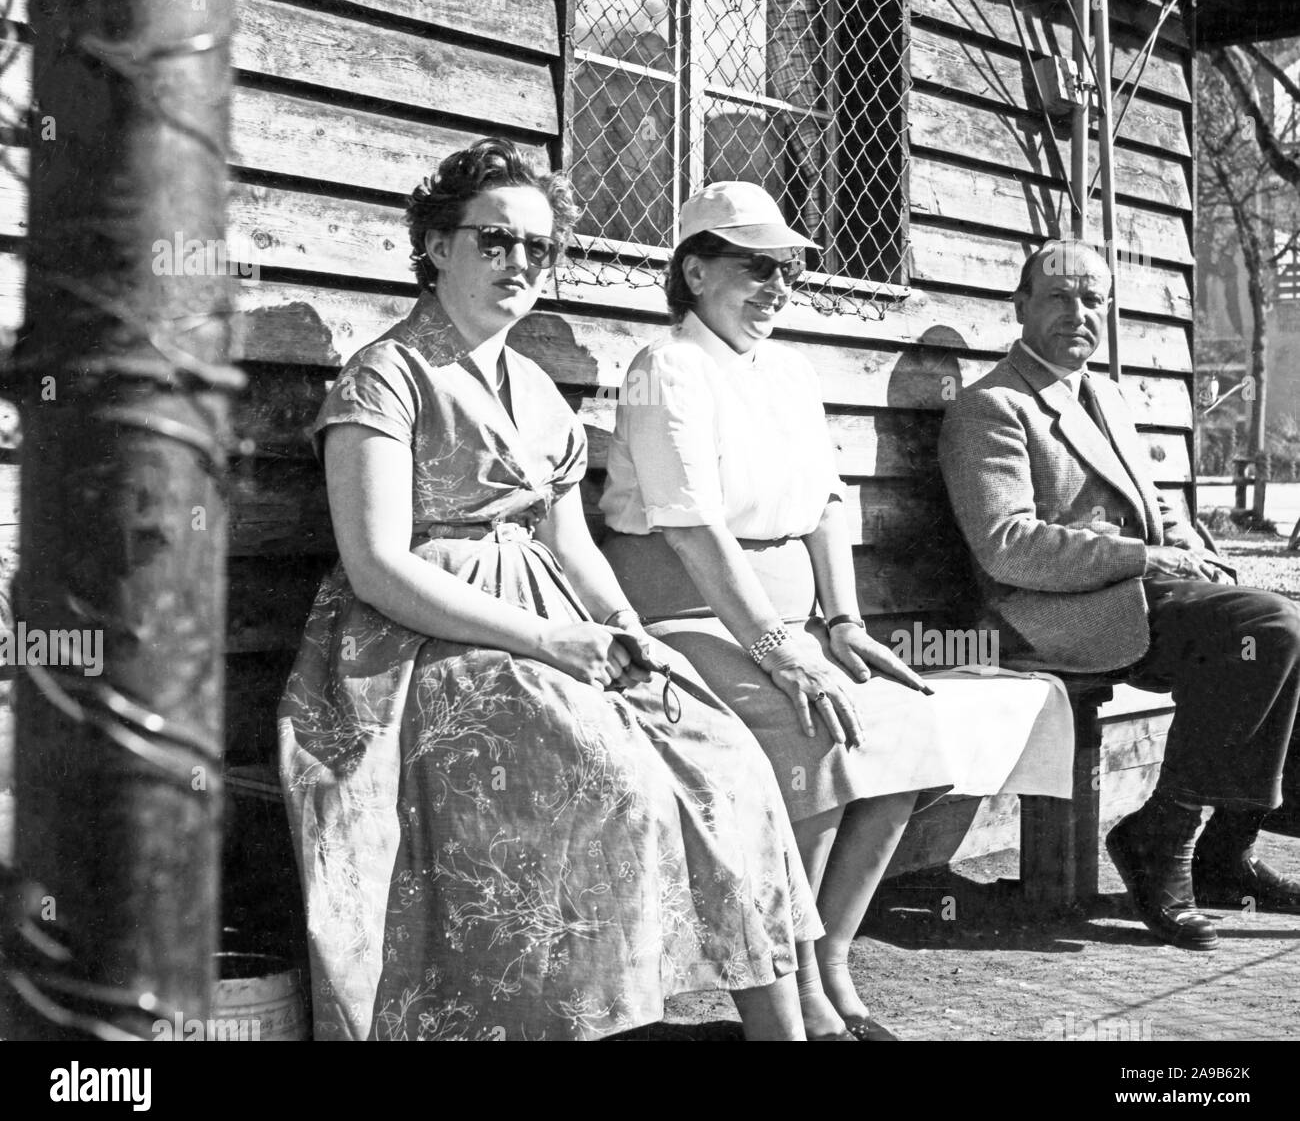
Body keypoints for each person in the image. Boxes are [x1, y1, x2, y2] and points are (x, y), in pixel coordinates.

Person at [278, 140, 823, 1041]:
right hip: (420, 644)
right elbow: (376, 565)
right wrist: (549, 642)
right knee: (610, 777)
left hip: (555, 625)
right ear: (436, 245)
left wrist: (622, 628)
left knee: (726, 757)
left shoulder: (532, 384)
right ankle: (577, 1022)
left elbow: (570, 543)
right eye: (495, 241)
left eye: (539, 248)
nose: (520, 264)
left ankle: (785, 1032)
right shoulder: (388, 376)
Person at [600, 181, 1072, 1040]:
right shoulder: (663, 368)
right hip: (680, 615)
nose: (777, 287)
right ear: (695, 270)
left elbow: (825, 502)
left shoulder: (787, 369)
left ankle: (832, 955)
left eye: (788, 271)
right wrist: (784, 649)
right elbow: (693, 529)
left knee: (904, 730)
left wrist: (844, 625)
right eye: (755, 268)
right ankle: (787, 980)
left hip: (789, 621)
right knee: (808, 732)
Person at [939, 238, 1300, 951]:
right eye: (1060, 297)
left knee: (1281, 628)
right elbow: (1006, 545)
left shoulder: (1102, 394)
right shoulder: (994, 406)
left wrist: (1195, 552)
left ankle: (1227, 852)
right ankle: (1162, 835)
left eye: (1094, 299)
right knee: (1270, 626)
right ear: (1020, 307)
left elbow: (1158, 507)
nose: (1080, 313)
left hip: (1132, 599)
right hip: (1047, 615)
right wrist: (1145, 555)